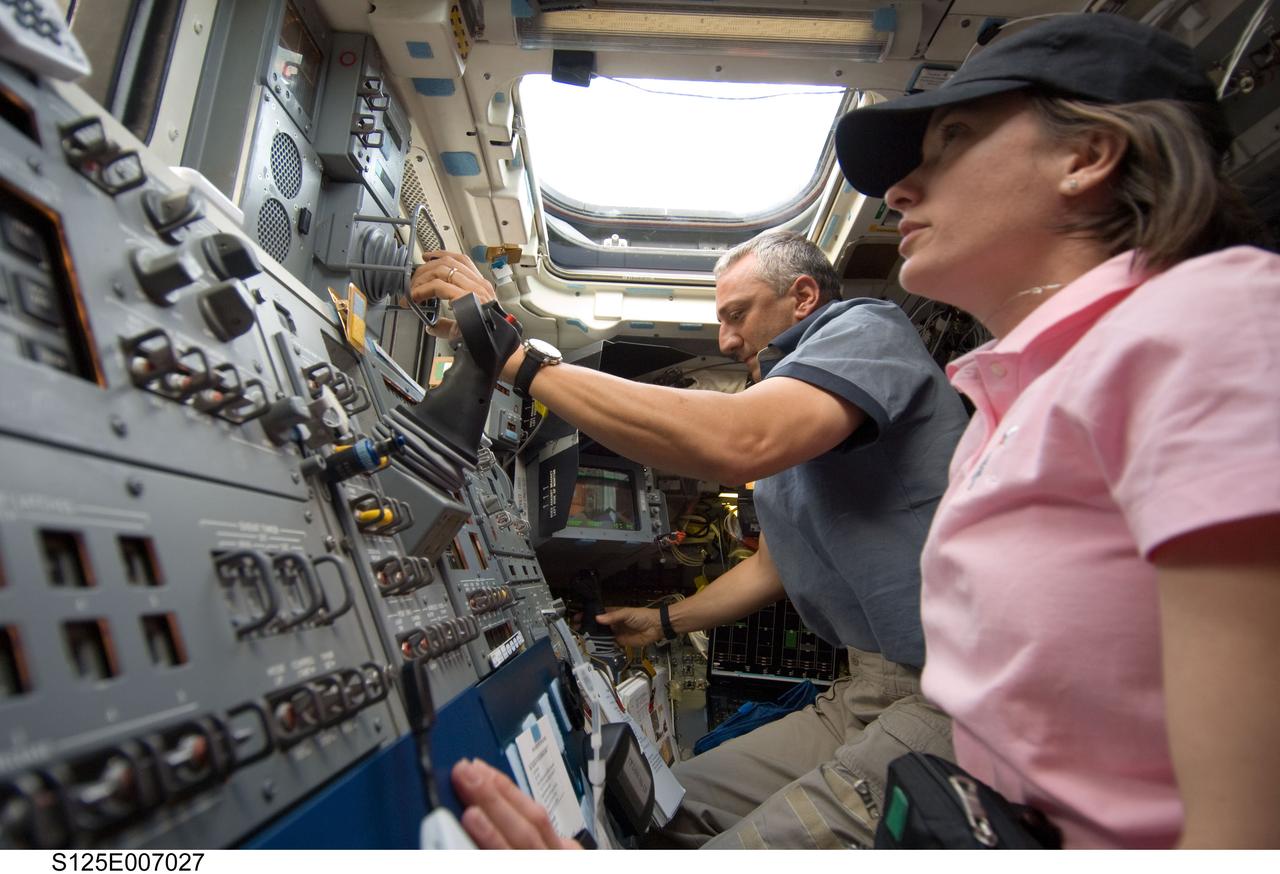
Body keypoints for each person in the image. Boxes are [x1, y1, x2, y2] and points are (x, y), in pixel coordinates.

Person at [831, 13, 1279, 848]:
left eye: (951, 140)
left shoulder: (1210, 319)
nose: (898, 191)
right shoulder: (1010, 396)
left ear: (1086, 156)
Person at [410, 230, 970, 848]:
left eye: (737, 314)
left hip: (950, 696)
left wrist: (519, 360)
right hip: (869, 685)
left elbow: (741, 443)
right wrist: (663, 622)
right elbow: (775, 567)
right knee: (660, 806)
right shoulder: (803, 418)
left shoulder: (867, 329)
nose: (727, 341)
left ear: (804, 296)